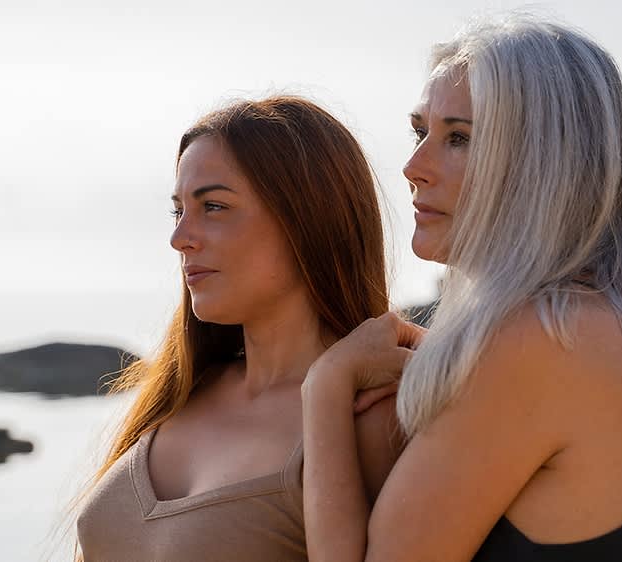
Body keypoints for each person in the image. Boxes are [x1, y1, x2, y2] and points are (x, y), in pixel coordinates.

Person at [301, 15, 622, 562]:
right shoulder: (598, 326)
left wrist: (325, 387)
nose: (413, 166)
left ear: (543, 163)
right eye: (419, 131)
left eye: (460, 138)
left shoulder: (549, 339)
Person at [75, 96, 403, 561]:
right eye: (178, 211)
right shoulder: (182, 392)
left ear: (306, 220)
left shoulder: (374, 419)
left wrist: (328, 387)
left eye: (213, 206)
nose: (180, 237)